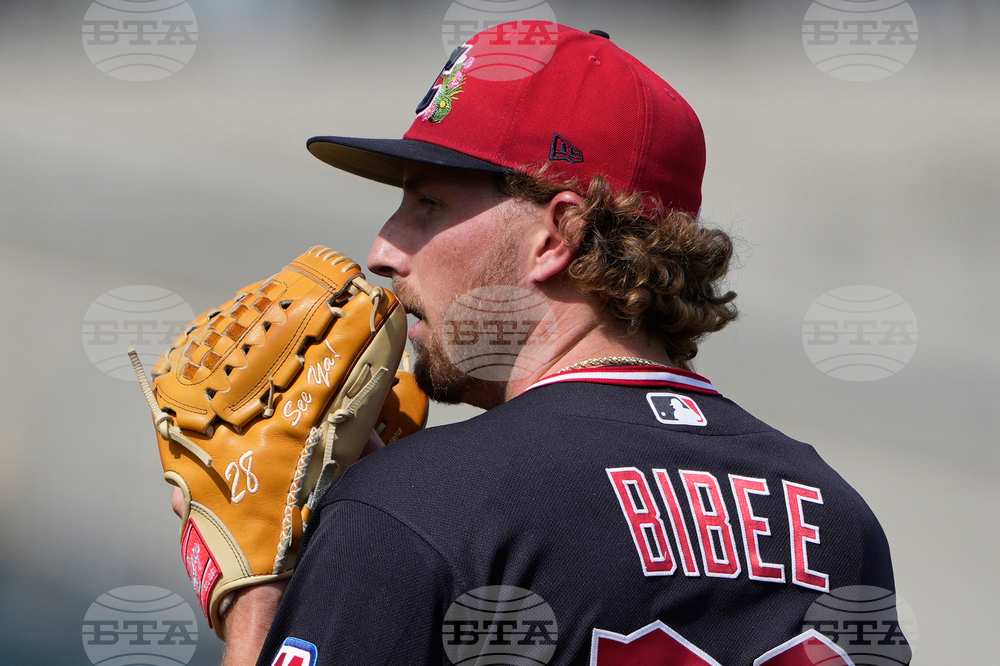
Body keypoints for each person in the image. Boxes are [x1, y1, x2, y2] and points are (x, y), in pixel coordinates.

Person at [195, 22, 907, 666]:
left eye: (428, 203)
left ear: (557, 236)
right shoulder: (837, 516)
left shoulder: (415, 504)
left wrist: (259, 600)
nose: (384, 248)